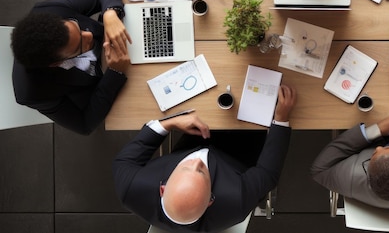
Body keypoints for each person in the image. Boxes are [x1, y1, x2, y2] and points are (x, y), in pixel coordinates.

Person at [112, 85, 297, 232]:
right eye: (202, 171)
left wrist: (171, 123)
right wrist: (281, 118)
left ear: (163, 188)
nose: (198, 162)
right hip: (241, 151)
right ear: (210, 199)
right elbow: (268, 173)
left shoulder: (131, 189)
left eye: (185, 167)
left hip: (192, 140)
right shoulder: (236, 200)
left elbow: (124, 161)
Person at [11, 0, 130, 135]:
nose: (89, 35)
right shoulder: (33, 93)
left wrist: (110, 14)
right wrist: (114, 73)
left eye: (78, 27)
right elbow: (84, 124)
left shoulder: (48, 11)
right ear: (56, 63)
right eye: (80, 45)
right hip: (107, 84)